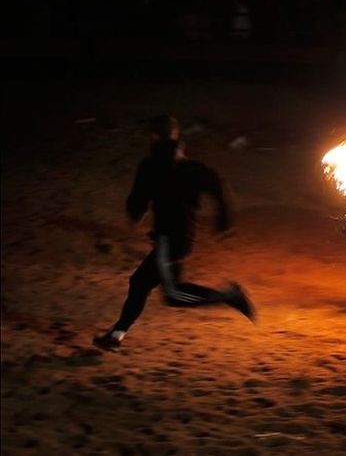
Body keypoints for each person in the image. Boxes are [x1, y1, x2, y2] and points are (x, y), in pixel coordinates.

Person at [93, 115, 255, 351]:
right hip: (181, 237)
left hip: (170, 238)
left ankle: (229, 296)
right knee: (139, 282)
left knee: (174, 295)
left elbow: (138, 198)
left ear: (153, 136)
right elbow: (218, 185)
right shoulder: (192, 167)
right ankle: (116, 336)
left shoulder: (150, 165)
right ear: (175, 136)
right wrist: (224, 220)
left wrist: (135, 212)